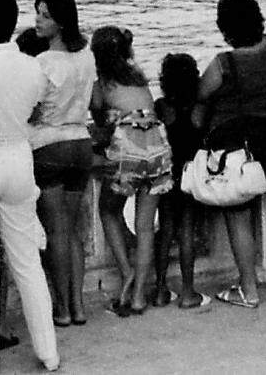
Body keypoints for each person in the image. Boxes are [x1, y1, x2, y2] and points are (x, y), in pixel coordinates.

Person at [0, 0, 59, 373]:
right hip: (20, 159)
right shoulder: (33, 68)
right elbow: (38, 106)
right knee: (27, 260)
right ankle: (48, 351)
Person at [198, 0, 266, 308]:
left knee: (238, 214)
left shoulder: (225, 63)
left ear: (226, 28)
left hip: (236, 147)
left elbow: (201, 93)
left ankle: (248, 289)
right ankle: (250, 282)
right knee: (250, 206)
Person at [90, 26, 173, 317]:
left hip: (128, 146)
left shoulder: (101, 82)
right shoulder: (139, 78)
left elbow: (99, 117)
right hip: (158, 145)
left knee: (108, 210)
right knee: (146, 225)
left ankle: (127, 273)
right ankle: (138, 297)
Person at [30, 0, 96, 325]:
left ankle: (62, 308)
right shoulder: (86, 56)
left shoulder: (42, 63)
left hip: (49, 144)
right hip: (81, 143)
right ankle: (79, 305)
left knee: (55, 231)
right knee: (72, 231)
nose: (37, 21)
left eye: (44, 15)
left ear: (60, 22)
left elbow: (32, 108)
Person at [153, 53, 208, 310]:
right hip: (192, 174)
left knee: (164, 231)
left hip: (167, 173)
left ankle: (161, 289)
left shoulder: (163, 107)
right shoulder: (199, 109)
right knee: (187, 230)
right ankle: (188, 291)